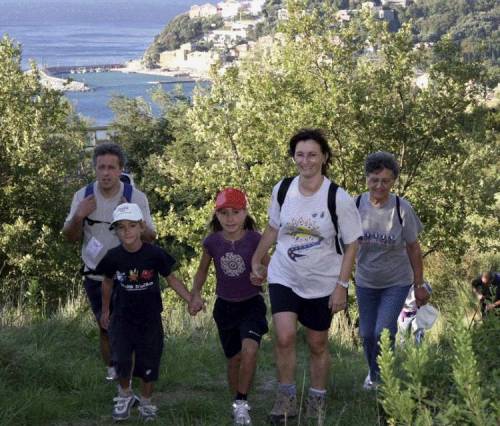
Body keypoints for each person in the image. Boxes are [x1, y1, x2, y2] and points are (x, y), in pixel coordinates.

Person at [251, 129, 362, 422]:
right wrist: (258, 257)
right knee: (284, 336)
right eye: (300, 154)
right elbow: (274, 227)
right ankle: (285, 399)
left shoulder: (338, 198)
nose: (306, 161)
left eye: (312, 154)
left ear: (324, 157)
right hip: (284, 274)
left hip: (322, 281)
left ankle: (317, 399)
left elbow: (352, 244)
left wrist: (342, 286)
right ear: (293, 157)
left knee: (317, 344)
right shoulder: (283, 189)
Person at [62, 143, 156, 381]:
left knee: (130, 331)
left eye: (111, 168)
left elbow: (151, 237)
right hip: (96, 276)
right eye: (101, 167)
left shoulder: (135, 197)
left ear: (120, 169)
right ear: (94, 169)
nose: (105, 173)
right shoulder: (82, 196)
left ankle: (128, 382)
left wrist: (130, 213)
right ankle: (116, 375)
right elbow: (70, 237)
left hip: (131, 276)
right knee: (106, 329)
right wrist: (79, 215)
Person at [97, 203, 192, 421]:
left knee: (148, 362)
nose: (126, 231)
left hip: (149, 318)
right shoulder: (113, 257)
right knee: (120, 359)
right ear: (116, 231)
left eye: (131, 226)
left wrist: (190, 299)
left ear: (141, 227)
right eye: (121, 227)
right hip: (121, 317)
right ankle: (125, 395)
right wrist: (105, 310)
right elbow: (107, 283)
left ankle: (146, 403)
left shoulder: (155, 254)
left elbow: (171, 279)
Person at [190, 188, 269, 426]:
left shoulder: (256, 238)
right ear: (217, 215)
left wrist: (261, 275)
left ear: (245, 213)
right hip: (224, 308)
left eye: (236, 212)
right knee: (234, 359)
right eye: (224, 213)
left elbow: (268, 266)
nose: (230, 218)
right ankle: (238, 401)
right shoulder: (212, 242)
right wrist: (195, 294)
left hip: (252, 305)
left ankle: (242, 402)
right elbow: (202, 271)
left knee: (250, 351)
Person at [355, 151, 430, 390]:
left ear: (393, 181)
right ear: (366, 178)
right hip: (365, 280)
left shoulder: (401, 208)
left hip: (396, 282)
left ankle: (380, 380)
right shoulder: (355, 205)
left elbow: (414, 249)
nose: (379, 186)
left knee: (383, 331)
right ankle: (374, 372)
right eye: (374, 180)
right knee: (366, 334)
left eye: (385, 181)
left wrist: (419, 285)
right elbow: (343, 246)